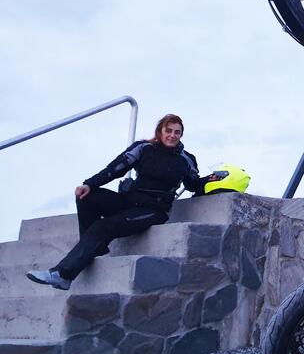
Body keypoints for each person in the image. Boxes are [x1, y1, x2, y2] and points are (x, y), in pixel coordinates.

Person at [26, 114, 217, 290]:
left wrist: (211, 180)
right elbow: (115, 168)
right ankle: (94, 247)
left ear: (181, 135)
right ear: (160, 131)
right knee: (87, 196)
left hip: (153, 210)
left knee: (103, 226)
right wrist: (89, 184)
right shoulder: (143, 148)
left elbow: (193, 185)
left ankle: (63, 275)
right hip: (128, 200)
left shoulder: (186, 160)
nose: (172, 135)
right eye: (169, 130)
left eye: (177, 132)